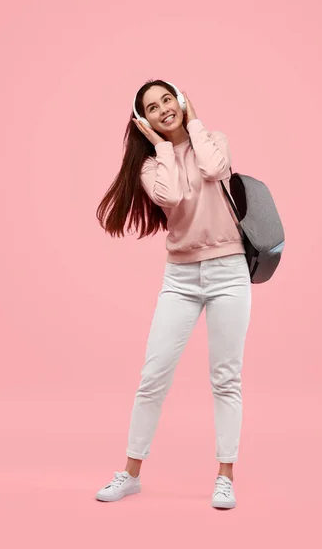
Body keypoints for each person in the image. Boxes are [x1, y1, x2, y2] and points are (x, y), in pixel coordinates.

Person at [95, 79, 252, 509]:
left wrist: (195, 125)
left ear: (181, 101)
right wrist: (162, 147)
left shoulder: (213, 139)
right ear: (144, 121)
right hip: (180, 279)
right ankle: (129, 474)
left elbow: (217, 171)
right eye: (152, 107)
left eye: (168, 98)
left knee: (226, 378)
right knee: (152, 378)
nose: (163, 108)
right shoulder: (150, 167)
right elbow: (173, 195)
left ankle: (225, 476)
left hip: (228, 272)